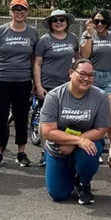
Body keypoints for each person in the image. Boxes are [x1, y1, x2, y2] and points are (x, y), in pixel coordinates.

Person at [39, 59, 111, 205]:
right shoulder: (54, 96)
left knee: (90, 151)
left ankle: (83, 182)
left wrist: (78, 142)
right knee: (58, 194)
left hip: (86, 144)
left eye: (91, 75)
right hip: (59, 147)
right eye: (83, 74)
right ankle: (68, 170)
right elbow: (48, 131)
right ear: (71, 73)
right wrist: (78, 140)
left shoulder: (101, 97)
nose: (87, 79)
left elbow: (101, 130)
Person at [0, 0, 39, 168]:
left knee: (21, 116)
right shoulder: (1, 31)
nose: (19, 12)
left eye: (22, 9)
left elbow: (34, 59)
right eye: (16, 9)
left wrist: (33, 80)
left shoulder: (32, 33)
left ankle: (21, 152)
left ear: (27, 12)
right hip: (1, 79)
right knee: (0, 117)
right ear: (11, 12)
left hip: (23, 80)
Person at [34, 9, 80, 167]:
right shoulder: (44, 40)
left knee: (65, 119)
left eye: (62, 20)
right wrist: (38, 86)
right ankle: (44, 152)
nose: (59, 23)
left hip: (67, 85)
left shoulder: (73, 38)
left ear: (66, 22)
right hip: (48, 85)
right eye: (55, 20)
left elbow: (78, 59)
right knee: (46, 121)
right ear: (50, 24)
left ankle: (63, 149)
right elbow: (37, 64)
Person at [80, 9, 111, 157]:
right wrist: (89, 35)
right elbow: (84, 55)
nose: (99, 24)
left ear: (108, 22)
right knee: (91, 116)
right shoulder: (88, 35)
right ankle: (93, 148)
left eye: (103, 21)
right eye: (96, 21)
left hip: (108, 78)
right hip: (92, 78)